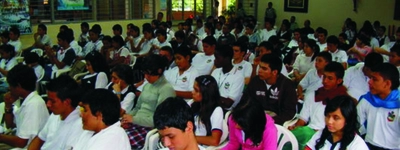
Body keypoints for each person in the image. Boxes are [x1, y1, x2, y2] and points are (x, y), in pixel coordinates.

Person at [121, 54, 175, 149]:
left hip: (149, 128)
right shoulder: (147, 86)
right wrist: (127, 119)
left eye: (149, 74)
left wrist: (133, 119)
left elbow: (159, 120)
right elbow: (137, 108)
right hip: (136, 122)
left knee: (120, 142)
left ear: (159, 71)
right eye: (144, 73)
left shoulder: (166, 89)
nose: (146, 77)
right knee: (110, 134)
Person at [289, 62, 348, 149]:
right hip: (308, 133)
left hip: (330, 137)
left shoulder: (344, 101)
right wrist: (295, 127)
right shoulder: (313, 95)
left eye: (330, 78)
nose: (325, 81)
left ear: (339, 81)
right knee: (290, 137)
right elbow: (302, 120)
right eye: (324, 77)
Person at [28, 75, 84, 150]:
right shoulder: (55, 115)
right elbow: (40, 138)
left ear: (67, 102)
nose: (48, 104)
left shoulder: (79, 125)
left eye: (52, 101)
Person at [0, 65, 49, 149]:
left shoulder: (34, 104)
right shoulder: (28, 101)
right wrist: (8, 105)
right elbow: (10, 125)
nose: (9, 88)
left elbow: (21, 142)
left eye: (10, 85)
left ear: (18, 86)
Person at [244, 54, 297, 125]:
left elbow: (289, 112)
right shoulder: (255, 81)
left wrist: (269, 121)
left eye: (264, 69)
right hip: (254, 118)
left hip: (275, 123)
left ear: (274, 72)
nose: (259, 71)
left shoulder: (287, 85)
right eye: (260, 67)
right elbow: (245, 101)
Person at [357, 63, 400, 149]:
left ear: (387, 84)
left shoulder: (398, 103)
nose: (369, 82)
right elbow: (355, 123)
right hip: (369, 145)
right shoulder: (367, 100)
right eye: (371, 78)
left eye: (375, 79)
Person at [191, 75, 224, 146]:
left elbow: (215, 141)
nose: (192, 92)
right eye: (193, 89)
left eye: (196, 90)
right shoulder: (192, 103)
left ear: (206, 93)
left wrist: (190, 138)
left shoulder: (217, 110)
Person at [211, 45, 244, 110]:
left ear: (227, 59)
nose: (214, 61)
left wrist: (210, 97)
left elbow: (228, 103)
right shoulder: (216, 72)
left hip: (227, 111)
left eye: (217, 58)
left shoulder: (238, 77)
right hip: (212, 107)